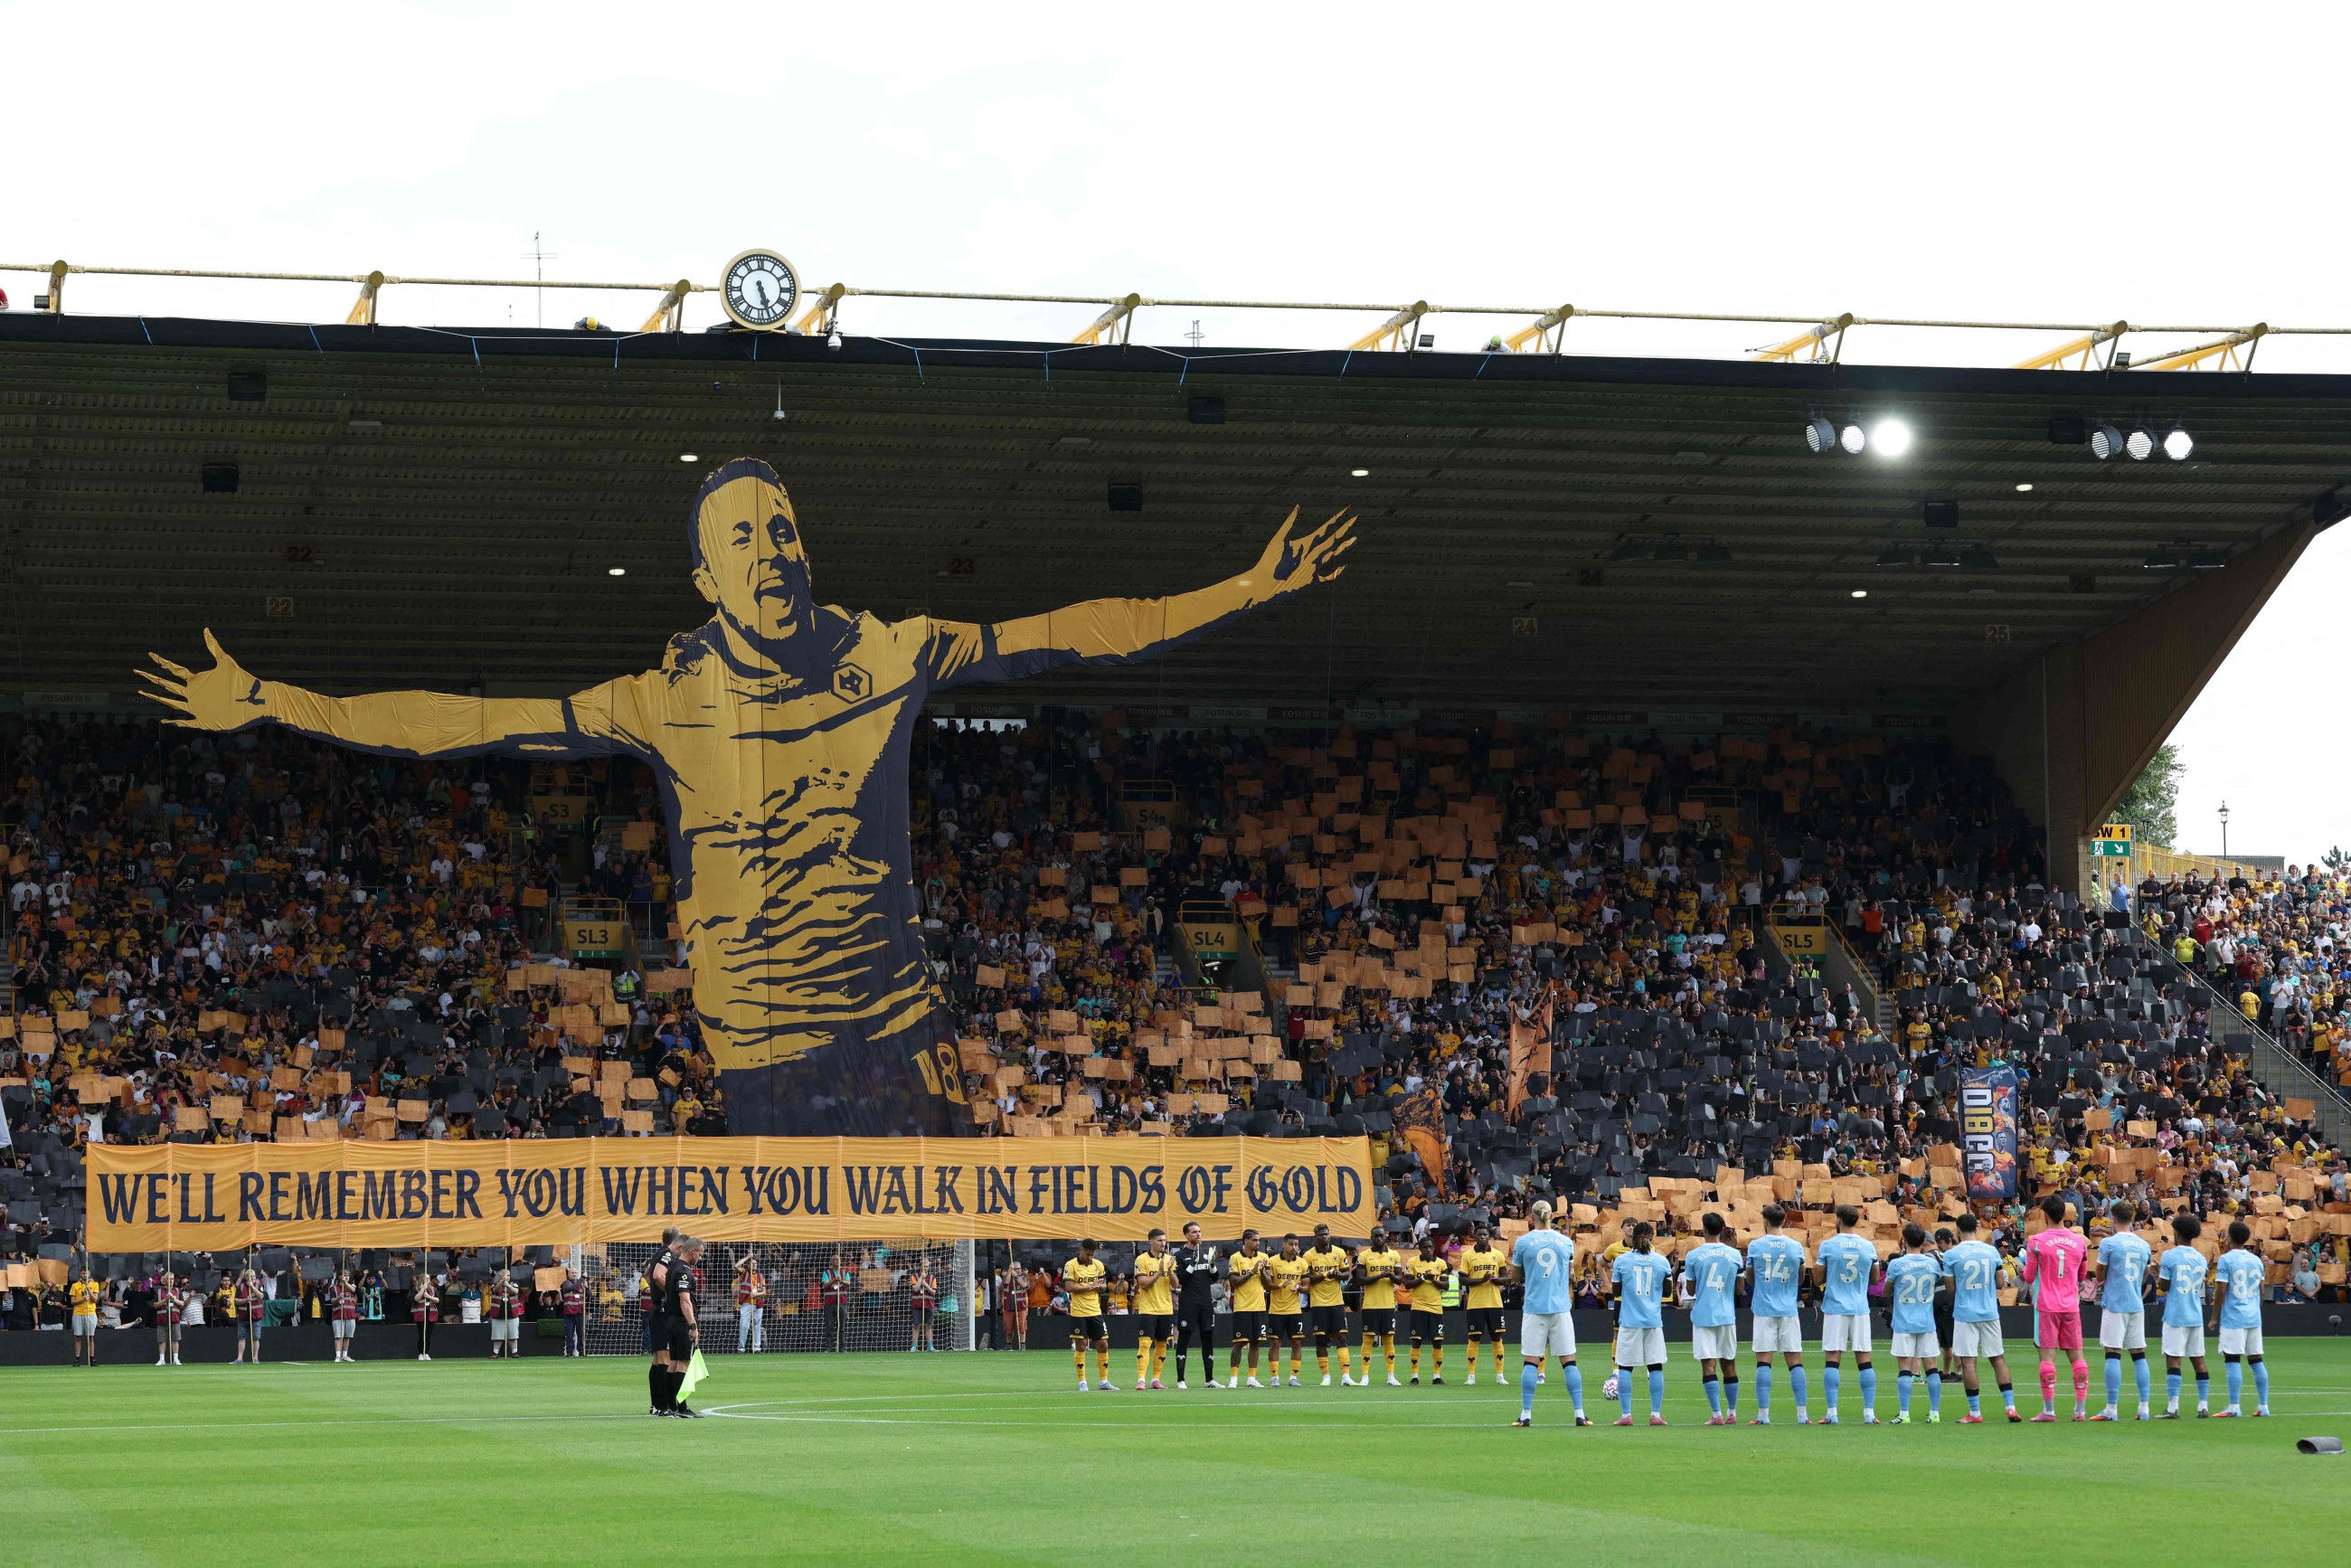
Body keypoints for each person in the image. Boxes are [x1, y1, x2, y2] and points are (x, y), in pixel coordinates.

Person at [145, 464, 1355, 1137]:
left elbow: (1072, 637)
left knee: (938, 1251)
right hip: (762, 1043)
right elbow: (456, 724)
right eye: (744, 536)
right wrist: (270, 694)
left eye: (785, 525)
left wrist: (1244, 588)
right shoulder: (661, 700)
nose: (773, 548)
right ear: (706, 576)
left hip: (893, 1027)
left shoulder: (893, 653)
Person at [1509, 1200, 1589, 1428]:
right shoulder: (1565, 1242)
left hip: (1534, 1307)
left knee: (1531, 1362)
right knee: (1569, 1362)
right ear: (1551, 1216)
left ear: (1530, 1217)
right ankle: (1580, 1413)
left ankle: (1525, 1415)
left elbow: (1515, 1277)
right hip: (1560, 1307)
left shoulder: (1523, 1242)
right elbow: (1570, 1271)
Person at [1944, 1213, 2021, 1422]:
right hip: (1989, 1312)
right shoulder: (1991, 1252)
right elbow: (1998, 1284)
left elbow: (1950, 1289)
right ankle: (2011, 1407)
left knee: (1968, 1363)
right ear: (1977, 1229)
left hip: (1965, 1313)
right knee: (1998, 1358)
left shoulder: (1951, 1255)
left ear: (1958, 1230)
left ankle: (1975, 1412)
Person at [2020, 1194, 2091, 1422]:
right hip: (2071, 1305)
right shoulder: (2080, 1242)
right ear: (2064, 1214)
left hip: (2046, 1305)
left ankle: (2049, 1411)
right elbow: (2082, 1277)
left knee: (2047, 1358)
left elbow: (2029, 1277)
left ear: (2045, 1215)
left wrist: (2025, 1265)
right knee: (2077, 1357)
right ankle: (2080, 1410)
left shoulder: (2036, 1242)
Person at [1814, 1205, 1879, 1425]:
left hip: (1835, 1307)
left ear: (1839, 1220)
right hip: (1860, 1308)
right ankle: (1869, 1413)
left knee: (1833, 1359)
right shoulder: (1867, 1246)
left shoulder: (1828, 1245)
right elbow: (1875, 1278)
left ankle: (1832, 1412)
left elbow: (1816, 1280)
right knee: (1864, 1360)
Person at [1744, 1204, 1808, 1425]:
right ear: (1785, 1221)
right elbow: (1801, 1279)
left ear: (1765, 1221)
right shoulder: (1795, 1247)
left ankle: (1763, 1415)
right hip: (1789, 1309)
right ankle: (1802, 1415)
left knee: (1764, 1362)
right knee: (1795, 1361)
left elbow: (1750, 1279)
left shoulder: (1755, 1246)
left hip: (1763, 1309)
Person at [2091, 1200, 2154, 1421]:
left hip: (2115, 1304)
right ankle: (2144, 1408)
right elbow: (2146, 1275)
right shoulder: (2144, 1245)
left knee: (2112, 1353)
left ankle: (2111, 1408)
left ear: (2113, 1219)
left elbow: (2099, 1274)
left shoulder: (2109, 1244)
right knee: (2139, 1354)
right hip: (2136, 1304)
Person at [1679, 1213, 1742, 1425]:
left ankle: (1716, 1415)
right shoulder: (1734, 1255)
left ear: (1704, 1229)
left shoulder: (1694, 1255)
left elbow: (1690, 1288)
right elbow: (1741, 1289)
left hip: (1704, 1315)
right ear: (1723, 1228)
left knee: (1709, 1366)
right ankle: (1732, 1412)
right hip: (1726, 1315)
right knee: (1729, 1365)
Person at [1610, 1221, 1673, 1426]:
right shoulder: (1662, 1261)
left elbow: (1616, 1292)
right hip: (1653, 1321)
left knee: (1625, 1368)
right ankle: (1655, 1414)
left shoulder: (1621, 1261)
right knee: (1655, 1368)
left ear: (1633, 1239)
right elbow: (1667, 1292)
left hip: (1629, 1321)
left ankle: (1626, 1415)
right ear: (1652, 1237)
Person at [1883, 1223, 1945, 1424]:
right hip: (1926, 1321)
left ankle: (1904, 1414)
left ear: (1904, 1240)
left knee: (1904, 1369)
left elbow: (1886, 1292)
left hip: (1904, 1323)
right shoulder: (1933, 1264)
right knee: (1932, 1368)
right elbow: (1936, 1282)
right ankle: (1934, 1413)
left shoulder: (1897, 1264)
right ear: (1924, 1242)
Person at [2211, 1219, 2271, 1418]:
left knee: (2232, 1359)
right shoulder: (2256, 1260)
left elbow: (2221, 1291)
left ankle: (2234, 1406)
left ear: (2229, 1237)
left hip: (2234, 1316)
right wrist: (2256, 1310)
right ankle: (2263, 1406)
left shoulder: (2226, 1260)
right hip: (2254, 1317)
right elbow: (2262, 1293)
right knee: (2256, 1360)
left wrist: (2214, 1317)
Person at [2157, 1213, 2212, 1418]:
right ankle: (2203, 1405)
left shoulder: (2169, 1256)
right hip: (2195, 1315)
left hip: (2176, 1314)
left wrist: (2157, 1271)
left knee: (2173, 1359)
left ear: (2176, 1232)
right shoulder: (2201, 1258)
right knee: (2198, 1359)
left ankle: (2173, 1407)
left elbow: (2164, 1286)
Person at [649, 1235, 706, 1417]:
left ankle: (672, 1406)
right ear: (692, 1251)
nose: (700, 1257)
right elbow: (684, 1300)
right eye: (700, 1253)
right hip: (682, 1322)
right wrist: (692, 1325)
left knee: (672, 1365)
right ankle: (682, 1408)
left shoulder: (673, 1267)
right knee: (683, 1364)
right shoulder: (684, 1271)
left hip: (671, 1320)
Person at [1301, 1223, 1355, 1387]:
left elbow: (1347, 1273)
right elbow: (1308, 1279)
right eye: (1321, 1235)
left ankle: (1346, 1376)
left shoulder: (1339, 1252)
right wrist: (1326, 1274)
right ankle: (1326, 1376)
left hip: (1337, 1303)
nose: (1324, 1237)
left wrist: (1339, 1274)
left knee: (1341, 1338)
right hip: (1318, 1304)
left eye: (1326, 1234)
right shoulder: (1309, 1255)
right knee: (1321, 1340)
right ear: (1315, 1237)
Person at [1458, 1223, 1508, 1385]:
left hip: (1494, 1303)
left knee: (1497, 1338)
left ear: (1489, 1236)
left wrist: (1494, 1279)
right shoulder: (1468, 1255)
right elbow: (1462, 1279)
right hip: (1475, 1304)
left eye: (1485, 1234)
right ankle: (1471, 1375)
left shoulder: (1498, 1255)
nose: (1482, 1237)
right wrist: (1482, 1279)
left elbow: (1505, 1279)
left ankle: (1500, 1375)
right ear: (1475, 1237)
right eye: (1479, 1235)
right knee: (1474, 1339)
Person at [1170, 1222, 1219, 1390]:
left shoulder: (1207, 1252)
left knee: (1208, 1339)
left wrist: (1212, 1265)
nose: (1198, 1234)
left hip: (1205, 1302)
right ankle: (1181, 1380)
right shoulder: (1180, 1255)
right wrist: (1193, 1264)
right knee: (1184, 1339)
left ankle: (1210, 1379)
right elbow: (1181, 1279)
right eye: (1194, 1232)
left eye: (1199, 1231)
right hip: (1188, 1303)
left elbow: (1215, 1277)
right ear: (1186, 1236)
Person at [1355, 1227, 1406, 1388]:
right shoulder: (1364, 1256)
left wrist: (1390, 1275)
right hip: (1370, 1305)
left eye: (1381, 1236)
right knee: (1368, 1340)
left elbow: (1399, 1280)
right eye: (1376, 1236)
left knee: (1389, 1340)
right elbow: (1360, 1280)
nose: (1379, 1238)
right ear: (1371, 1237)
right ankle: (1365, 1377)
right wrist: (1379, 1276)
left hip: (1388, 1304)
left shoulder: (1394, 1255)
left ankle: (1391, 1376)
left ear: (1386, 1237)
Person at [1130, 1229, 1176, 1390]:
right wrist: (1160, 1271)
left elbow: (1176, 1285)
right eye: (1159, 1240)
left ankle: (1155, 1380)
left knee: (1162, 1344)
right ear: (1151, 1241)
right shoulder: (1141, 1259)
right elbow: (1143, 1284)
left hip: (1166, 1309)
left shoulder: (1170, 1259)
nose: (1163, 1243)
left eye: (1164, 1240)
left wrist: (1169, 1270)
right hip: (1148, 1308)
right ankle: (1141, 1379)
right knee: (1144, 1343)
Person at [1065, 1239, 1113, 1391]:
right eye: (1088, 1254)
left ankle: (1104, 1381)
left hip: (1095, 1311)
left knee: (1103, 1344)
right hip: (1079, 1311)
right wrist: (1089, 1286)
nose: (1090, 1257)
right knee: (1081, 1345)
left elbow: (1104, 1285)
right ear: (1081, 1250)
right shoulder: (1071, 1265)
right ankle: (1082, 1382)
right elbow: (1069, 1287)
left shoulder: (1098, 1265)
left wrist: (1100, 1286)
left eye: (1092, 1255)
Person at [1223, 1231, 1269, 1389]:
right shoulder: (1236, 1258)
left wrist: (1262, 1272)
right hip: (1242, 1307)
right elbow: (1234, 1282)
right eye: (1254, 1240)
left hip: (1259, 1306)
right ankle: (1233, 1378)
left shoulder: (1263, 1257)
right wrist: (1251, 1272)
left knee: (1256, 1343)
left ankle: (1251, 1378)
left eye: (1259, 1240)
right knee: (1239, 1343)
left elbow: (1268, 1284)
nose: (1257, 1243)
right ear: (1246, 1241)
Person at [1266, 1234, 1309, 1388]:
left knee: (1296, 1343)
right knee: (1275, 1343)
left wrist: (1299, 1288)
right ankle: (1274, 1377)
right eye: (1291, 1244)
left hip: (1294, 1310)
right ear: (1284, 1244)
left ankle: (1293, 1377)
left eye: (1296, 1244)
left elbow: (1307, 1287)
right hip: (1276, 1310)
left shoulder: (1302, 1263)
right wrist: (1280, 1285)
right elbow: (1267, 1285)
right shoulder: (1273, 1261)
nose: (1294, 1247)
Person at [1406, 1233, 1449, 1385]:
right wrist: (1423, 1278)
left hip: (1436, 1308)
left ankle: (1436, 1376)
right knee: (1416, 1341)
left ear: (1434, 1248)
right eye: (1425, 1247)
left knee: (1437, 1342)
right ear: (1420, 1249)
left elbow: (1446, 1286)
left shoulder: (1441, 1264)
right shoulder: (1412, 1262)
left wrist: (1433, 1279)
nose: (1428, 1250)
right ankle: (1414, 1376)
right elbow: (1408, 1284)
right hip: (1418, 1307)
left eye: (1431, 1247)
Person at [69, 1265, 102, 1366]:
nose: (85, 1275)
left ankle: (92, 1359)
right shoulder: (75, 1285)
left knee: (90, 1337)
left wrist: (90, 1290)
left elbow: (95, 1300)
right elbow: (72, 1302)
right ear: (80, 1274)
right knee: (78, 1337)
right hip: (78, 1313)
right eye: (83, 1273)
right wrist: (83, 1299)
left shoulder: (95, 1284)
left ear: (89, 1273)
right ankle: (77, 1359)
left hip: (91, 1312)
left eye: (86, 1273)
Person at [736, 1254, 769, 1355]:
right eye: (752, 1264)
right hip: (746, 1304)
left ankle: (757, 1347)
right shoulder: (744, 1273)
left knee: (757, 1326)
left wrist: (756, 1294)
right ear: (748, 1265)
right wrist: (747, 1257)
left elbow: (764, 1292)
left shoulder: (761, 1276)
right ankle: (741, 1348)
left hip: (758, 1304)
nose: (754, 1265)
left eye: (755, 1264)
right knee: (744, 1326)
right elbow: (736, 1266)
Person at [235, 1266, 267, 1365]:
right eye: (250, 1277)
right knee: (241, 1337)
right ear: (246, 1277)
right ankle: (239, 1359)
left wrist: (252, 1287)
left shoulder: (258, 1284)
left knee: (256, 1337)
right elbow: (235, 1301)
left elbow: (261, 1296)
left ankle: (255, 1358)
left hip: (256, 1316)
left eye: (254, 1276)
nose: (253, 1278)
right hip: (243, 1316)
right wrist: (245, 1300)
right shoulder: (240, 1286)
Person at [488, 1271, 523, 1359]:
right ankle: (495, 1353)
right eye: (505, 1275)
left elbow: (516, 1292)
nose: (507, 1277)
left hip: (512, 1314)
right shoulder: (495, 1284)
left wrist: (508, 1285)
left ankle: (515, 1352)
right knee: (498, 1335)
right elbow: (494, 1290)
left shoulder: (514, 1284)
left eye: (508, 1275)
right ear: (500, 1276)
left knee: (513, 1334)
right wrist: (502, 1282)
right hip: (498, 1315)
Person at [907, 1260, 939, 1353]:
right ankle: (914, 1346)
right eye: (924, 1266)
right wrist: (921, 1278)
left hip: (929, 1304)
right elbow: (916, 1288)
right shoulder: (914, 1276)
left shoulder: (933, 1277)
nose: (926, 1268)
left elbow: (934, 1292)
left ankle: (930, 1346)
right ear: (920, 1266)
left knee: (928, 1326)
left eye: (927, 1266)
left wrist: (926, 1285)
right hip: (917, 1305)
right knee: (916, 1326)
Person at [410, 1261, 439, 1362]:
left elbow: (437, 1300)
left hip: (431, 1314)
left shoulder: (434, 1289)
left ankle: (427, 1353)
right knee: (422, 1334)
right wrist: (422, 1290)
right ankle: (420, 1353)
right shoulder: (416, 1289)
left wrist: (429, 1296)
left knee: (429, 1335)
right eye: (426, 1279)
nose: (428, 1281)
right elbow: (416, 1299)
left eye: (429, 1279)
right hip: (421, 1314)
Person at [154, 1271, 184, 1367]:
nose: (171, 1281)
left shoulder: (178, 1291)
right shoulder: (159, 1291)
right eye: (169, 1279)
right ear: (165, 1280)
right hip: (162, 1318)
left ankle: (175, 1359)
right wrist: (165, 1300)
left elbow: (182, 1304)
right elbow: (155, 1305)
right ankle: (162, 1359)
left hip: (174, 1317)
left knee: (175, 1339)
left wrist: (174, 1299)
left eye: (172, 1279)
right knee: (162, 1340)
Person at [329, 1270, 359, 1363]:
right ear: (339, 1276)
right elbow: (332, 1301)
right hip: (338, 1315)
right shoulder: (334, 1288)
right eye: (344, 1275)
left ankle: (345, 1355)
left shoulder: (352, 1286)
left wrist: (345, 1282)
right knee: (338, 1336)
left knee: (347, 1336)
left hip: (350, 1315)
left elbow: (353, 1290)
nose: (346, 1277)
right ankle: (338, 1356)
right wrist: (339, 1297)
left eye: (347, 1275)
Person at [561, 1270, 587, 1356]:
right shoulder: (566, 1283)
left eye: (576, 1273)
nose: (574, 1274)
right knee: (569, 1333)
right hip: (569, 1313)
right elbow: (571, 1288)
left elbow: (589, 1295)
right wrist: (582, 1278)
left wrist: (587, 1288)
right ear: (568, 1274)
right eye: (572, 1273)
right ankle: (569, 1351)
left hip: (579, 1313)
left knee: (580, 1333)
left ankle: (581, 1350)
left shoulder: (582, 1284)